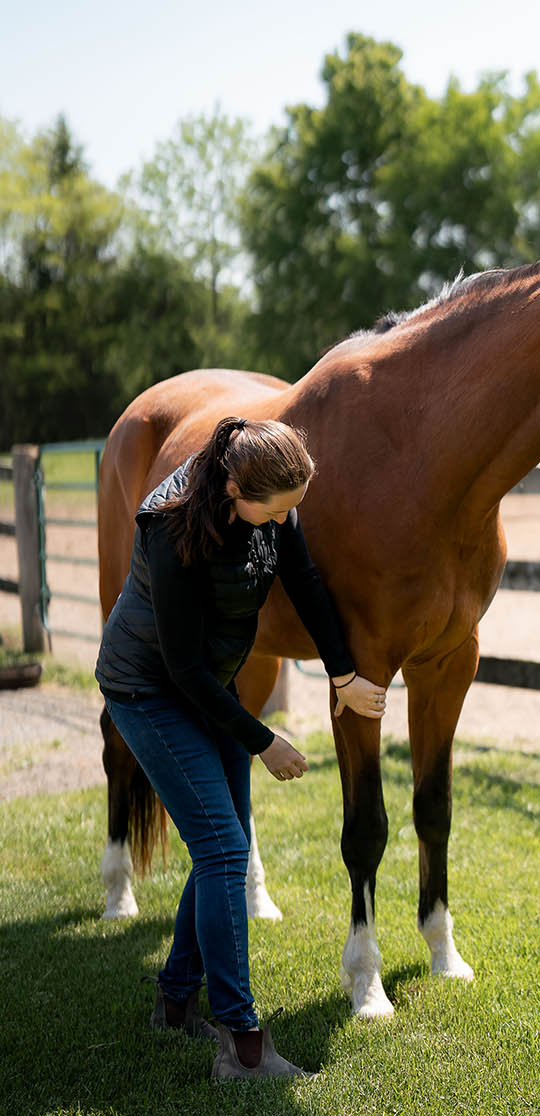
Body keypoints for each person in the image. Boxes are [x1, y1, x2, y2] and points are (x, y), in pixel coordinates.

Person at [96, 416, 386, 1081]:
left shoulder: (270, 504)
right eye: (276, 510)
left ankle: (174, 1004)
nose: (284, 522)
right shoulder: (169, 528)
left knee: (219, 842)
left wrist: (343, 673)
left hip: (208, 682)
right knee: (226, 848)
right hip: (150, 688)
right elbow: (182, 669)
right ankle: (242, 1043)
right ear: (232, 487)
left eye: (293, 509)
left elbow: (306, 584)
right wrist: (263, 741)